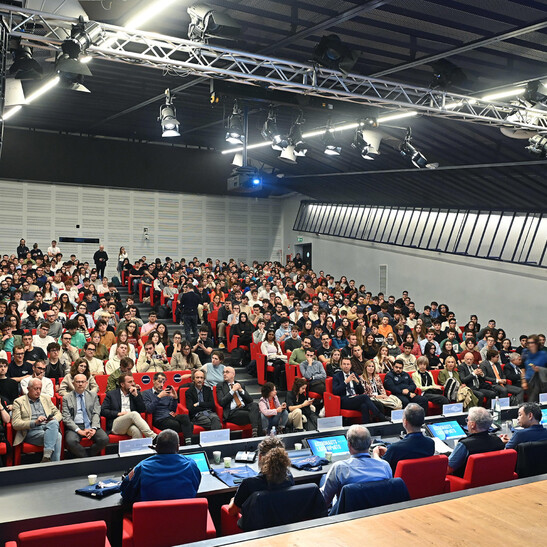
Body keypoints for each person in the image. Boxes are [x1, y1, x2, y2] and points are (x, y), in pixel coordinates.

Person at [121, 429, 201, 503]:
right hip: (185, 517)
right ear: (178, 447)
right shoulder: (191, 465)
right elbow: (195, 487)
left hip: (150, 517)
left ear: (156, 448)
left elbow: (126, 493)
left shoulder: (142, 467)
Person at [321, 425, 392, 508]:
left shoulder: (339, 468)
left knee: (324, 478)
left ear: (349, 445)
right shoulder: (385, 466)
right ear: (370, 442)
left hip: (347, 517)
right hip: (377, 514)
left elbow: (324, 501)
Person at [227, 436, 294, 518]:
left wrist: (233, 500)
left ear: (260, 457)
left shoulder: (248, 484)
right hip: (283, 525)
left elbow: (231, 511)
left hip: (254, 529)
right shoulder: (289, 477)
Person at [372, 403, 434, 473]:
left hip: (399, 483)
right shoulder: (430, 443)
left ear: (405, 422)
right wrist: (389, 452)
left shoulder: (395, 448)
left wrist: (375, 454)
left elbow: (381, 468)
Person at [12, 378, 63, 462]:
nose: (38, 391)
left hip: (48, 428)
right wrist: (35, 422)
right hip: (31, 432)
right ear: (28, 389)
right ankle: (54, 466)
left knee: (54, 423)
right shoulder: (19, 402)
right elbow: (15, 424)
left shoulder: (46, 399)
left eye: (40, 388)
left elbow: (59, 414)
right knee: (57, 436)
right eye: (36, 389)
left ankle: (47, 456)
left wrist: (53, 418)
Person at [447, 406, 505, 477]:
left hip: (465, 484)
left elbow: (448, 469)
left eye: (467, 420)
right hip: (493, 481)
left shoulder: (464, 445)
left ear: (472, 425)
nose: (467, 422)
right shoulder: (498, 441)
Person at [62, 373, 109, 458]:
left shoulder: (93, 395)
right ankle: (86, 458)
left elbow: (96, 413)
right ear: (73, 383)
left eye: (82, 382)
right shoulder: (66, 398)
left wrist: (94, 428)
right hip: (75, 426)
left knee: (104, 439)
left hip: (91, 424)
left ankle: (89, 455)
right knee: (71, 441)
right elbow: (66, 418)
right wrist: (79, 430)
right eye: (78, 382)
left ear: (86, 383)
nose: (80, 384)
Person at [101, 372, 156, 439]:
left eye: (133, 381)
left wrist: (136, 396)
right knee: (133, 414)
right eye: (130, 382)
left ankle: (138, 449)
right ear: (122, 384)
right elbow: (103, 410)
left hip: (129, 424)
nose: (133, 384)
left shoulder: (135, 394)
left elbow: (142, 410)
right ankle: (153, 436)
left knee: (136, 431)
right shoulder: (111, 394)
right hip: (116, 424)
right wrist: (118, 413)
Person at [141, 372, 193, 443]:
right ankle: (187, 442)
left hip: (169, 416)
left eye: (163, 382)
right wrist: (159, 396)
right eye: (159, 382)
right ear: (153, 381)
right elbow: (149, 409)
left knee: (185, 417)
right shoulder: (146, 393)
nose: (161, 385)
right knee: (189, 425)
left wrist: (175, 398)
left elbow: (172, 410)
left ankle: (188, 444)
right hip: (159, 419)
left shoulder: (166, 393)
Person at [332, 357, 387, 423]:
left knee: (364, 406)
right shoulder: (336, 376)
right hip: (345, 400)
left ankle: (366, 425)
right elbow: (335, 391)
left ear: (350, 365)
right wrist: (345, 382)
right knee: (365, 397)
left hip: (355, 398)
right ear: (341, 365)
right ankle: (380, 416)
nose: (346, 366)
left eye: (348, 364)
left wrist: (357, 382)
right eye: (344, 364)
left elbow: (361, 391)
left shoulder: (354, 374)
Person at [217, 366, 261, 437]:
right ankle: (257, 434)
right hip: (232, 412)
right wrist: (233, 390)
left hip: (243, 408)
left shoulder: (240, 384)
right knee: (256, 415)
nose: (224, 374)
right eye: (224, 372)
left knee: (254, 405)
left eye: (227, 372)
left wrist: (241, 390)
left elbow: (250, 400)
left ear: (233, 374)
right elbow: (222, 402)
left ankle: (255, 432)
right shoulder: (220, 386)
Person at [523, 335, 547, 402]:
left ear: (536, 343)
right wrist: (523, 381)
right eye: (528, 343)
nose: (530, 345)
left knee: (534, 402)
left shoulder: (543, 354)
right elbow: (522, 368)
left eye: (532, 342)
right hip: (529, 381)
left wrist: (540, 369)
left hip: (540, 381)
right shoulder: (525, 353)